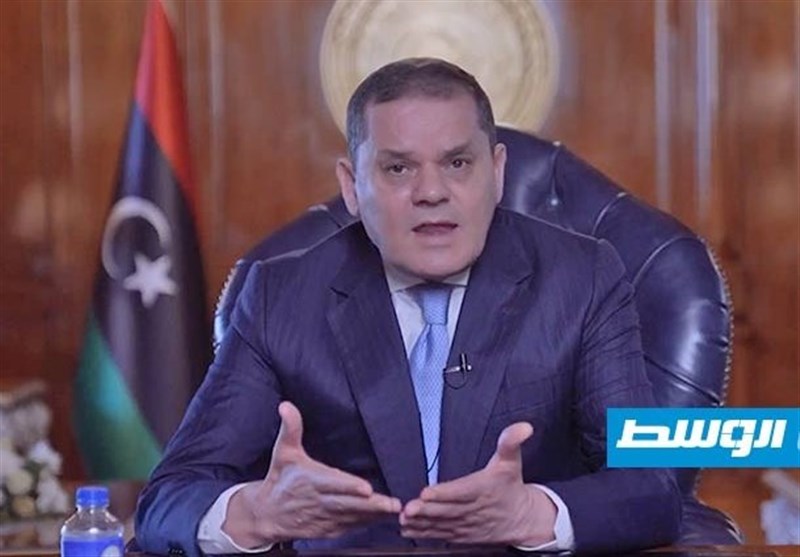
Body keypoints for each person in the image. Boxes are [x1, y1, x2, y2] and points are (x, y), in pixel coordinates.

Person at [135, 58, 681, 557]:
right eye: (398, 169)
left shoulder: (583, 279)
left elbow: (652, 485)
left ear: (497, 173)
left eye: (457, 163)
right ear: (352, 187)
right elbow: (169, 496)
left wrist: (532, 514)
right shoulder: (279, 297)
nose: (431, 192)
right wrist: (256, 513)